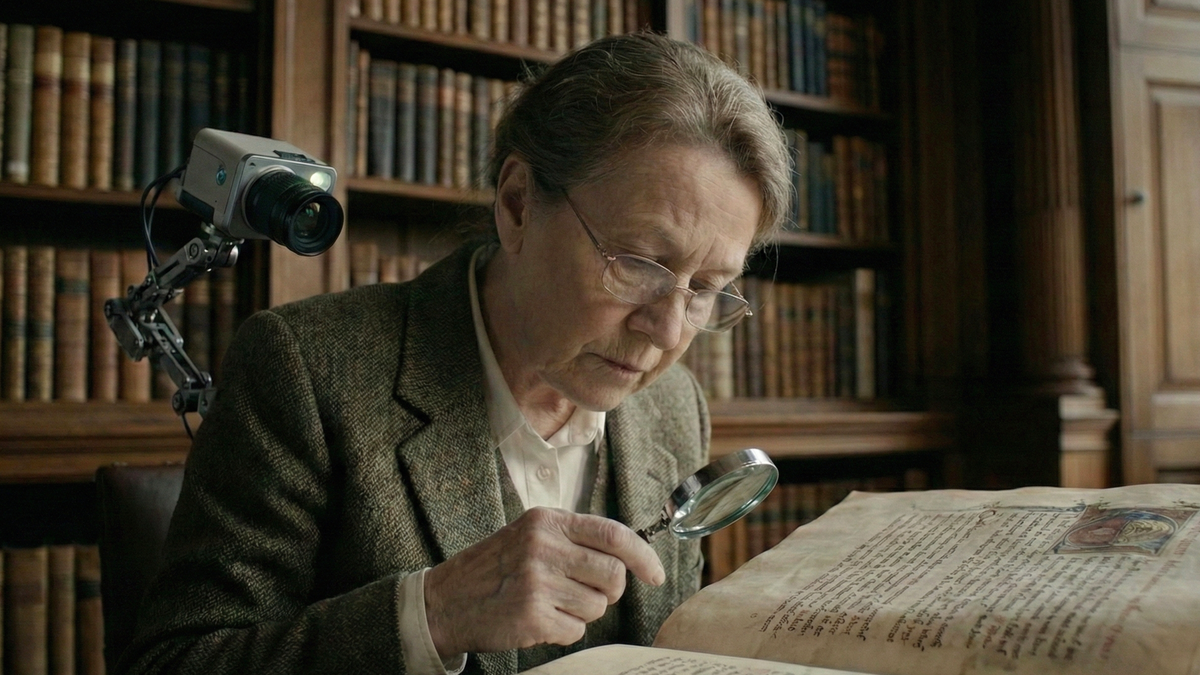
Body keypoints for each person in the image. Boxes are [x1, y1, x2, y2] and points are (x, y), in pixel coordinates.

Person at [120, 31, 791, 675]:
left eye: (708, 288)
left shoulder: (674, 405)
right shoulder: (304, 367)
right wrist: (433, 615)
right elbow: (175, 662)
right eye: (640, 262)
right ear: (518, 204)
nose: (668, 332)